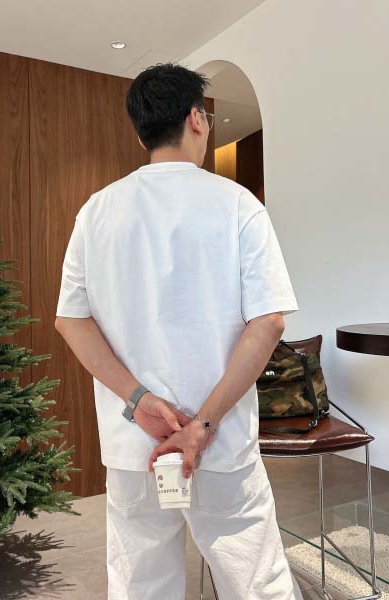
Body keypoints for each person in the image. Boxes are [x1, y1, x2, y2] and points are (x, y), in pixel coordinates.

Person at [55, 62, 304, 599]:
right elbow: (269, 321)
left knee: (141, 583)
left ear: (140, 133)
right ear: (196, 118)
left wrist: (139, 400)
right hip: (222, 441)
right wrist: (202, 426)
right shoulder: (237, 204)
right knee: (255, 582)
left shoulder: (96, 212)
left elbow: (70, 320)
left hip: (135, 443)